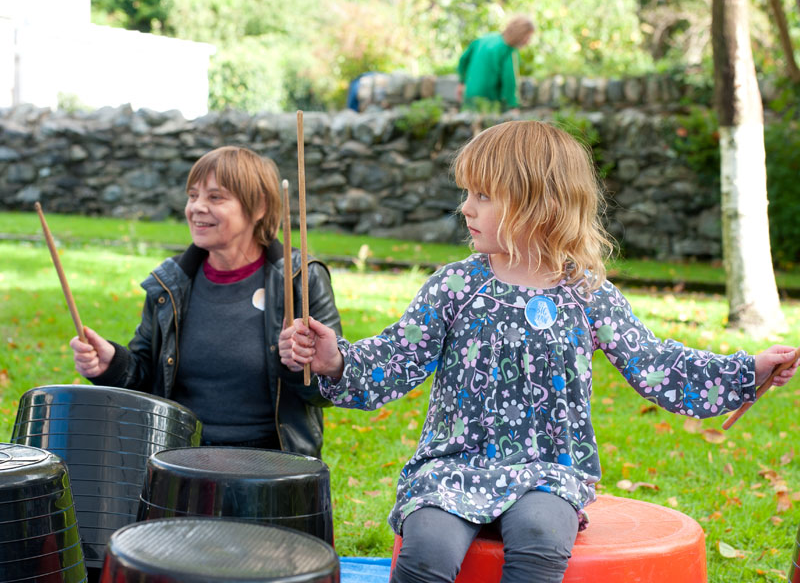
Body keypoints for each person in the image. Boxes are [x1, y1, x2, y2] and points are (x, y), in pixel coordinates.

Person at [285, 121, 800, 583]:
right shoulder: (456, 285)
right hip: (453, 466)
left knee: (539, 542)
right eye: (467, 193)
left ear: (538, 203)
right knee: (427, 552)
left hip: (549, 472)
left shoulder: (586, 294)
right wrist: (337, 360)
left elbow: (655, 363)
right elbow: (399, 355)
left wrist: (747, 370)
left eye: (483, 195)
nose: (466, 207)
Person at [70, 146, 341, 458]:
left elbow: (327, 391)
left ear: (259, 206)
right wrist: (112, 364)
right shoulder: (170, 282)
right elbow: (146, 378)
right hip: (181, 458)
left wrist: (299, 364)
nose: (197, 207)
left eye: (215, 197)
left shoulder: (300, 279)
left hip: (273, 463)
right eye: (192, 195)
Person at [457, 16, 535, 113]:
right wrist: (512, 105)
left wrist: (461, 82)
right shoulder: (508, 50)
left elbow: (463, 59)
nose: (528, 41)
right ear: (520, 34)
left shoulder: (485, 38)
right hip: (490, 99)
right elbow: (510, 80)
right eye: (528, 37)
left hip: (470, 94)